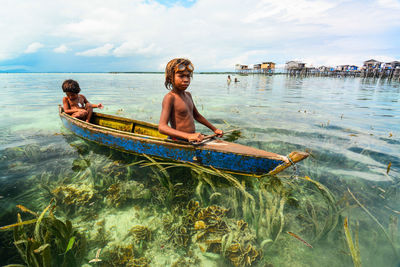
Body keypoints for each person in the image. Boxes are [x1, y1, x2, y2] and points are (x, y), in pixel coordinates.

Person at [158, 58, 223, 142]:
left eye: (188, 76)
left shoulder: (188, 95)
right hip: (178, 140)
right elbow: (162, 127)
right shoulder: (170, 97)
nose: (186, 80)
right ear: (170, 78)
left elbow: (197, 116)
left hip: (191, 139)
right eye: (181, 76)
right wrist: (188, 136)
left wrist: (214, 129)